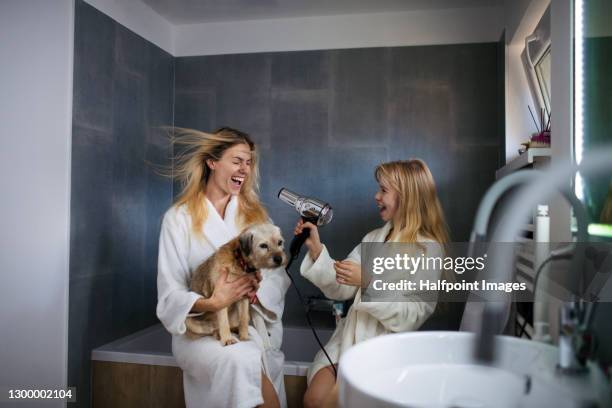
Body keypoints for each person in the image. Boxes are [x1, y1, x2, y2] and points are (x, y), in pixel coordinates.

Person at [295, 159, 449, 408]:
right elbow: (342, 286)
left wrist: (368, 282)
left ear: (407, 197)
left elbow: (413, 314)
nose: (376, 196)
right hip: (345, 345)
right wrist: (316, 250)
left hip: (384, 354)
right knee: (313, 399)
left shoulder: (428, 249)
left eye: (384, 190)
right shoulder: (373, 239)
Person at [156, 127, 290, 408]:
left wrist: (257, 291)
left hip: (247, 324)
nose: (245, 168)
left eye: (249, 162)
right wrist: (214, 301)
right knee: (239, 362)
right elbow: (170, 294)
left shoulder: (255, 216)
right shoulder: (178, 219)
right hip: (199, 329)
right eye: (237, 160)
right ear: (212, 162)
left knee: (250, 369)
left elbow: (277, 274)